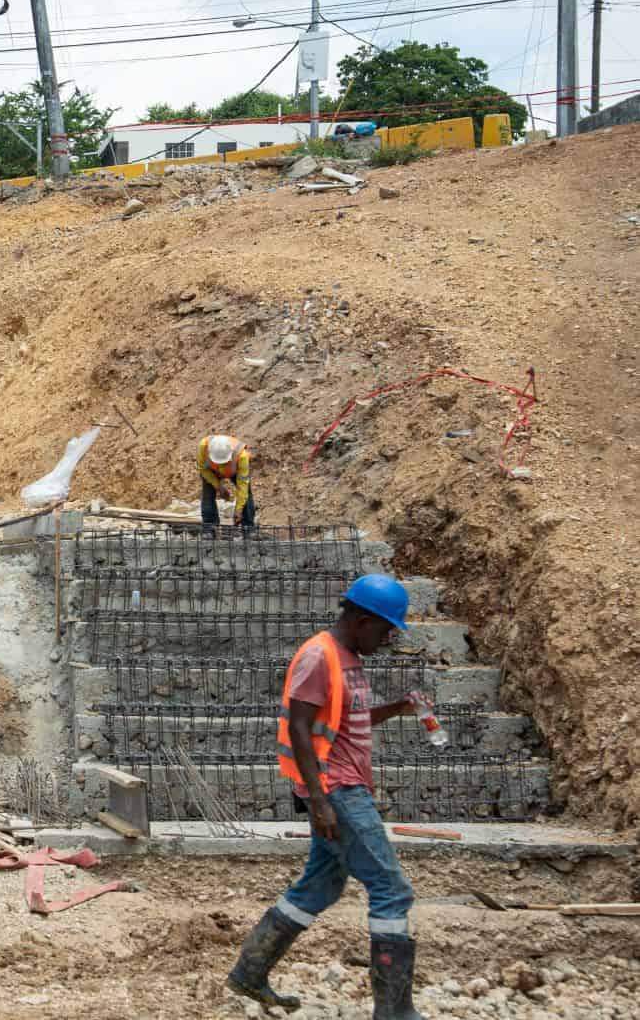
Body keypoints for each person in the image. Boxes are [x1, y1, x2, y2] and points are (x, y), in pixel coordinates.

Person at [226, 573, 431, 1020]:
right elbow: (299, 727)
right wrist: (319, 800)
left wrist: (398, 708)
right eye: (385, 629)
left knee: (321, 883)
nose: (388, 638)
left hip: (341, 787)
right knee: (391, 890)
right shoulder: (320, 656)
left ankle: (249, 971)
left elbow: (345, 720)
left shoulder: (347, 658)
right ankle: (394, 1011)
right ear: (361, 620)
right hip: (337, 790)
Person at [198, 434, 255, 529]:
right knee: (208, 495)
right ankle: (209, 528)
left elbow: (243, 486)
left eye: (224, 462)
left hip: (234, 470)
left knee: (246, 495)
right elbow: (203, 469)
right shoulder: (203, 447)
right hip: (211, 471)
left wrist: (239, 509)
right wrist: (218, 486)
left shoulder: (242, 456)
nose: (221, 464)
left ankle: (248, 528)